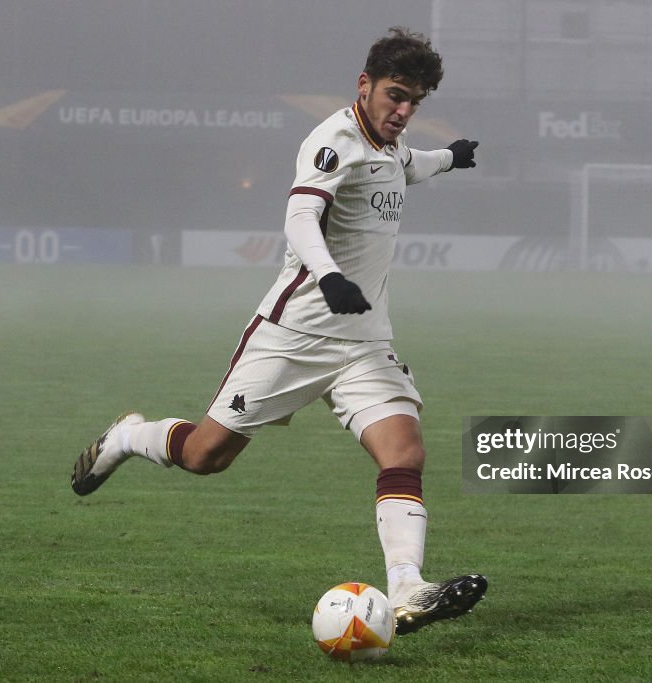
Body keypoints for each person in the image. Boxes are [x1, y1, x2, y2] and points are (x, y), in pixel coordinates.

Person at [71, 27, 487, 636]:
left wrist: (450, 157)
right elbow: (300, 217)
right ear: (364, 85)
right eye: (396, 96)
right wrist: (328, 277)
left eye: (415, 103)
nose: (403, 112)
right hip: (292, 335)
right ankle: (129, 438)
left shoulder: (392, 142)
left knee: (405, 452)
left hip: (365, 342)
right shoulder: (332, 140)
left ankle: (407, 589)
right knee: (205, 456)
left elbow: (407, 166)